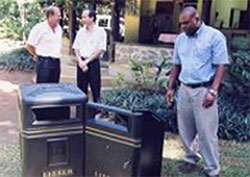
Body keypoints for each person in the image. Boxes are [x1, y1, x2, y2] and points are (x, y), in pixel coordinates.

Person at [166, 7, 229, 177]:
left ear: (196, 19)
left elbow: (222, 65)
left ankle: (213, 170)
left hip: (204, 89)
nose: (183, 27)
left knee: (206, 133)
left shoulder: (214, 36)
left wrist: (213, 92)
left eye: (186, 23)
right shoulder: (180, 39)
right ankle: (190, 159)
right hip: (184, 88)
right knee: (185, 129)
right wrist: (171, 88)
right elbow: (176, 65)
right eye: (181, 23)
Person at [73, 9, 107, 102]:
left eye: (84, 17)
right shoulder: (80, 32)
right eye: (82, 17)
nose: (82, 19)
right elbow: (76, 47)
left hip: (93, 63)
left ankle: (97, 112)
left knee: (95, 88)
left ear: (92, 18)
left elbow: (100, 50)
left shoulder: (100, 32)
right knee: (80, 90)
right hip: (81, 63)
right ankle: (81, 112)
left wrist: (86, 62)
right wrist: (80, 61)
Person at [26, 6, 62, 83]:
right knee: (42, 88)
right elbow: (29, 45)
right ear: (50, 16)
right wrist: (35, 55)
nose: (60, 18)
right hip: (44, 63)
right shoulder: (39, 28)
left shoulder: (59, 29)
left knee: (54, 87)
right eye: (58, 16)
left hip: (56, 62)